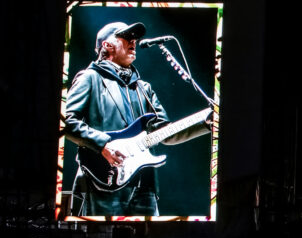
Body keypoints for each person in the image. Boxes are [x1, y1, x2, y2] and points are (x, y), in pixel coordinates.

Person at [64, 21, 211, 217]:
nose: (133, 41)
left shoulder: (144, 88)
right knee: (102, 236)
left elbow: (165, 133)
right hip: (102, 179)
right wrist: (103, 145)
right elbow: (69, 122)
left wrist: (205, 123)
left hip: (144, 185)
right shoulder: (90, 78)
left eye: (134, 38)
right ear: (106, 45)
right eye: (125, 37)